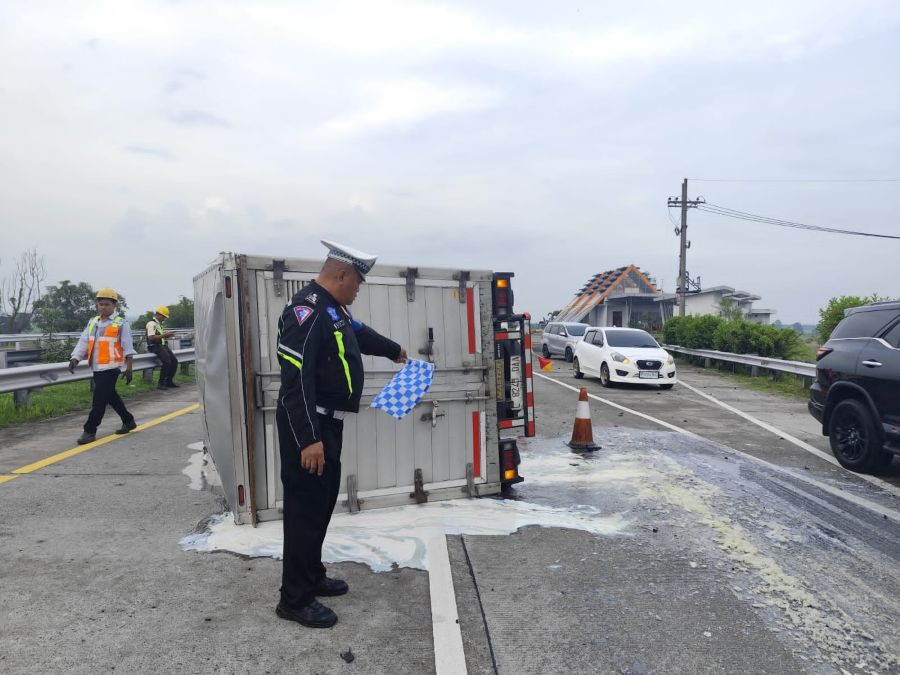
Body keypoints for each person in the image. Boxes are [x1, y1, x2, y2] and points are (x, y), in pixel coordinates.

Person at [274, 240, 407, 628]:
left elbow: (361, 335)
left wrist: (394, 350)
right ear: (342, 275)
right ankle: (294, 600)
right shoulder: (305, 312)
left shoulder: (334, 310)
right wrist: (309, 439)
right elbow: (294, 381)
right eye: (358, 283)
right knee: (303, 512)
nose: (358, 290)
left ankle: (311, 575)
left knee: (320, 505)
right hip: (310, 427)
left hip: (328, 424)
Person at [68, 288, 137, 445]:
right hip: (97, 367)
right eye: (100, 304)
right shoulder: (93, 322)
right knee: (111, 396)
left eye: (106, 304)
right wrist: (75, 358)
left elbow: (128, 346)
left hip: (112, 368)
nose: (103, 307)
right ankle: (129, 420)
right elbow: (84, 342)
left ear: (114, 305)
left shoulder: (121, 323)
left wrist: (129, 367)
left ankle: (90, 430)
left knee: (99, 400)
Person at [145, 305, 179, 389]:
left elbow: (159, 336)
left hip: (161, 345)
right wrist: (164, 335)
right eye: (164, 317)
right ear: (159, 315)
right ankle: (161, 383)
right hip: (154, 346)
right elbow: (151, 337)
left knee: (174, 361)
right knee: (167, 362)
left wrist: (165, 336)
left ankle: (169, 381)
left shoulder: (158, 324)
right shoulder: (151, 324)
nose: (164, 319)